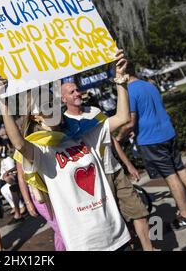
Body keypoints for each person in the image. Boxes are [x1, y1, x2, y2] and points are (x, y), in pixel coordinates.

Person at [0, 50, 133, 251]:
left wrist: (120, 80)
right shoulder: (39, 150)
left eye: (54, 102)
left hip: (116, 233)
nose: (53, 108)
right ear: (36, 116)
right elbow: (20, 144)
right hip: (84, 244)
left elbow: (123, 117)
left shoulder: (83, 133)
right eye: (46, 106)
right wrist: (2, 101)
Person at [117, 64, 186, 230]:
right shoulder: (149, 85)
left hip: (152, 139)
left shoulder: (130, 91)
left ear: (124, 74)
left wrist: (119, 137)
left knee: (170, 176)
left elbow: (130, 122)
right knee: (180, 169)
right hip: (167, 132)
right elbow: (149, 112)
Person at [61, 81, 153, 251]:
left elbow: (109, 138)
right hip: (97, 179)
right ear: (63, 98)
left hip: (115, 169)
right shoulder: (65, 124)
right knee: (115, 219)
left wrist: (128, 164)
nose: (77, 93)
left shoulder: (94, 111)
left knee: (139, 213)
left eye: (77, 90)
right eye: (71, 91)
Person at [0, 152, 25, 223]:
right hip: (19, 175)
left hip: (25, 176)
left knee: (11, 185)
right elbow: (18, 165)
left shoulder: (8, 159)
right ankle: (17, 210)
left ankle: (21, 207)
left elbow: (19, 166)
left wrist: (9, 172)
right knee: (6, 188)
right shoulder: (4, 160)